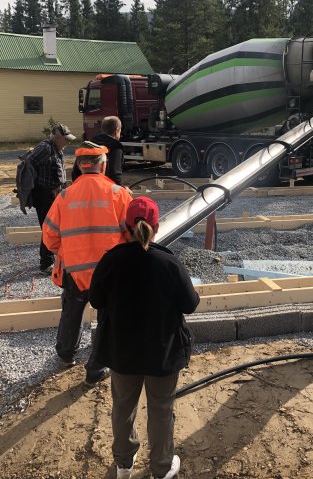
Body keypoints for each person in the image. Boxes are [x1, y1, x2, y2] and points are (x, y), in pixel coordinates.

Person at [89, 197, 199, 479]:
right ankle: (161, 468)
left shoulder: (111, 260)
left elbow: (96, 300)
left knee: (123, 407)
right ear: (157, 226)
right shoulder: (169, 262)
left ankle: (124, 464)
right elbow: (190, 303)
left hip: (122, 353)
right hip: (162, 354)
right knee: (162, 410)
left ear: (125, 227)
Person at [42, 142, 133, 385]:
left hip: (74, 269)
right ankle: (95, 369)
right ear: (102, 165)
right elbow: (132, 234)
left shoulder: (65, 196)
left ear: (81, 167)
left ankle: (65, 353)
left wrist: (69, 251)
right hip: (108, 272)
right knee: (106, 317)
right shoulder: (118, 194)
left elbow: (49, 237)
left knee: (72, 312)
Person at [28, 123, 76, 274]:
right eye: (66, 139)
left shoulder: (56, 148)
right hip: (44, 194)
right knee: (48, 228)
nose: (68, 142)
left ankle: (51, 260)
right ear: (57, 137)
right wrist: (37, 183)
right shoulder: (46, 147)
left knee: (54, 226)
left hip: (53, 193)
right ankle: (46, 264)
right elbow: (29, 163)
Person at [73, 116, 125, 185]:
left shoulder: (88, 145)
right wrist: (121, 189)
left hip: (84, 188)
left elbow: (75, 172)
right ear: (117, 130)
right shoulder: (115, 148)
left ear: (102, 129)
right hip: (106, 191)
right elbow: (115, 175)